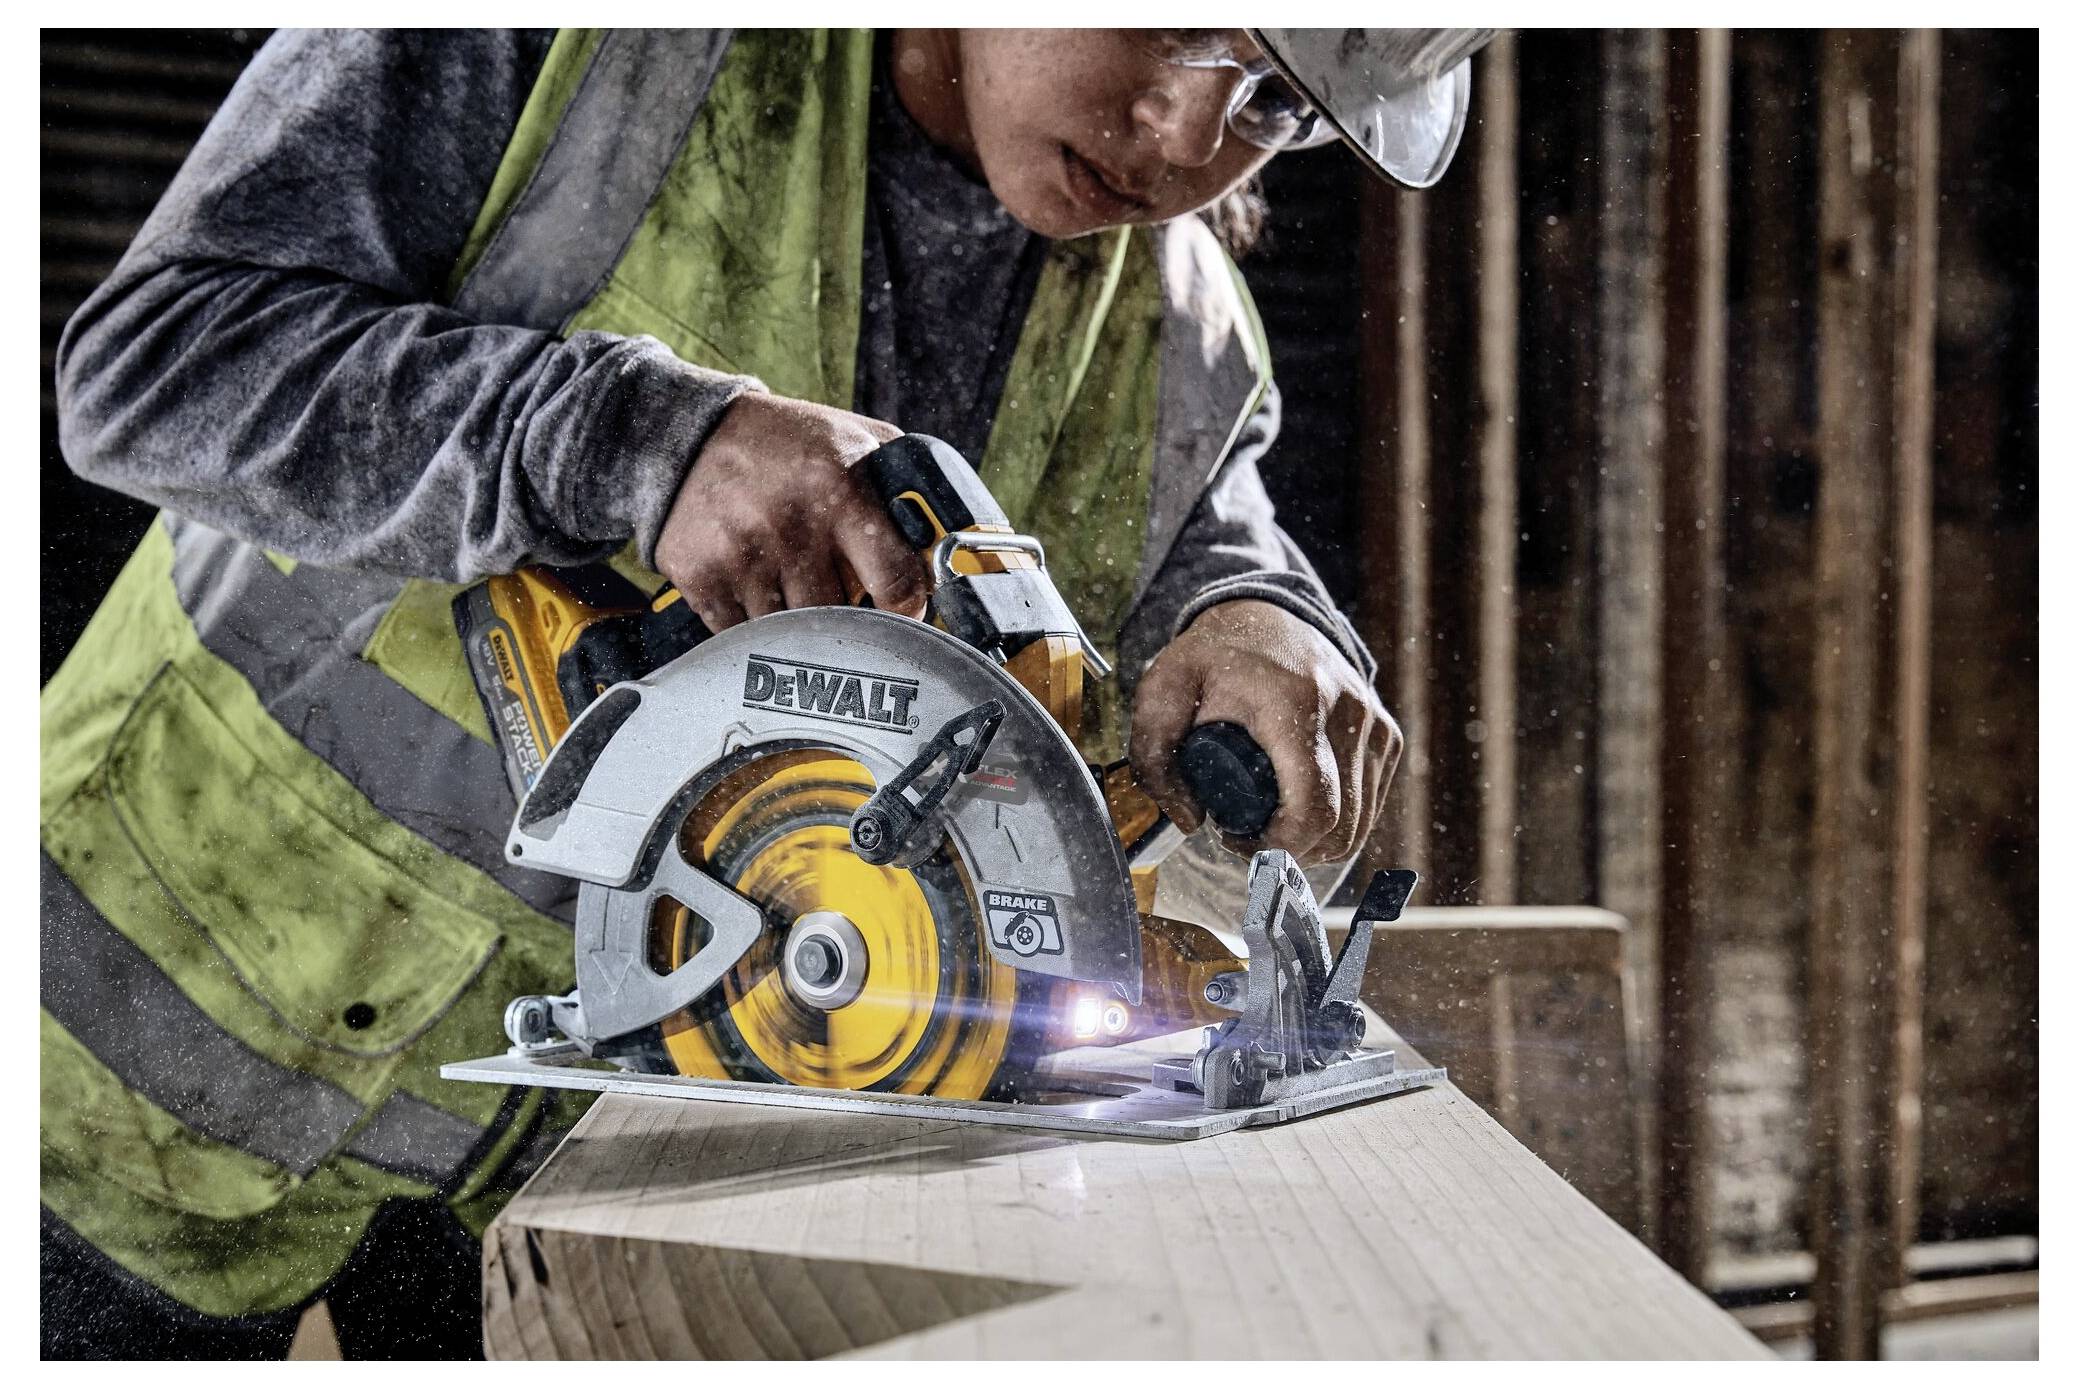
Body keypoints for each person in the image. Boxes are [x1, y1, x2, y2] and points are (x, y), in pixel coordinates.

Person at [42, 27, 1492, 1357]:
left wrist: (1269, 618)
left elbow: (1206, 546)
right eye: (1181, 29)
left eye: (1277, 102)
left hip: (607, 1143)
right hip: (122, 1066)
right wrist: (629, 435)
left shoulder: (1190, 324)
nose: (1188, 134)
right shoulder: (588, 49)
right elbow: (148, 364)